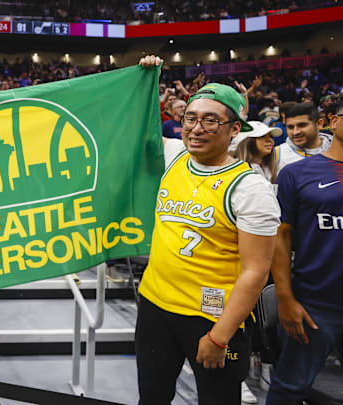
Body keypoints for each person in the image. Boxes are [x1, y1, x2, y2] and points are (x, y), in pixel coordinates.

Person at [136, 56, 280, 405]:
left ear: (235, 129)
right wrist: (144, 82)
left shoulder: (250, 188)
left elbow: (256, 272)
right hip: (155, 307)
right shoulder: (174, 155)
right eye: (191, 119)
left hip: (212, 320)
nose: (196, 128)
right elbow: (131, 129)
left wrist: (219, 338)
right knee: (151, 399)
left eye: (210, 121)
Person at [266, 103, 343, 403]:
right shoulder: (296, 173)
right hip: (315, 303)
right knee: (290, 387)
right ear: (333, 121)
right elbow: (280, 236)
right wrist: (285, 298)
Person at [275, 102, 332, 173]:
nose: (296, 132)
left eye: (302, 125)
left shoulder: (337, 149)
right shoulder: (276, 154)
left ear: (319, 124)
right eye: (290, 127)